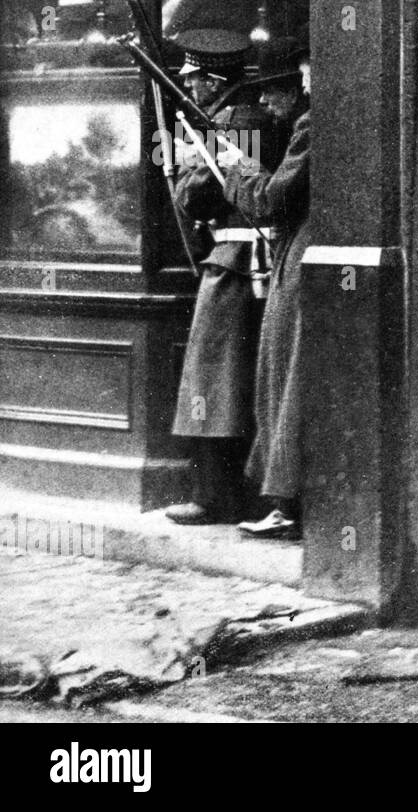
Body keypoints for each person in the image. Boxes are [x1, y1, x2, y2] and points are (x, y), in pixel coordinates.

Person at [165, 29, 281, 525]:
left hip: (235, 260)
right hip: (263, 261)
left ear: (214, 82)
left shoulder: (230, 126)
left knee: (213, 379)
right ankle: (254, 494)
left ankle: (214, 496)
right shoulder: (256, 119)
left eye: (196, 81)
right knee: (248, 381)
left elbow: (195, 197)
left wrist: (185, 152)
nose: (190, 89)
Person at [218, 39, 312, 540]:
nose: (270, 103)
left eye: (276, 91)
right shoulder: (304, 122)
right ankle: (289, 500)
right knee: (284, 375)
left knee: (286, 376)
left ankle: (289, 503)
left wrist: (239, 170)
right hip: (300, 255)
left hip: (302, 259)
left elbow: (274, 199)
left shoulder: (312, 123)